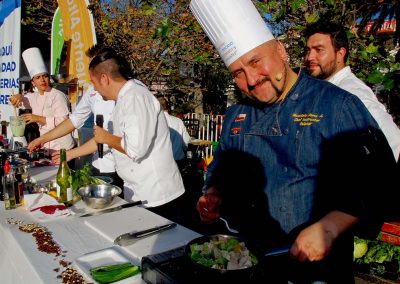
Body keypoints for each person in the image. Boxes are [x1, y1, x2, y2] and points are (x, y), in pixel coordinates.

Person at [190, 0, 397, 282]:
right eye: (238, 73)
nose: (251, 79)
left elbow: (381, 182)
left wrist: (331, 226)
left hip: (316, 271)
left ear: (280, 50)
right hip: (244, 262)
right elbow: (221, 167)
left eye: (255, 61)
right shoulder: (237, 115)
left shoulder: (336, 105)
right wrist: (213, 192)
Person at [56, 47, 185, 222]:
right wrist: (70, 153)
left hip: (157, 195)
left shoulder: (135, 97)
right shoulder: (123, 99)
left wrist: (106, 137)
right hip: (139, 190)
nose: (93, 89)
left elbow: (135, 149)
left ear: (104, 78)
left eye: (93, 82)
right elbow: (109, 140)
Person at [304, 20, 400, 161]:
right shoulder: (327, 89)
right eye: (308, 50)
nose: (310, 57)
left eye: (319, 50)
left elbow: (394, 143)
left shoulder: (351, 92)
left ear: (340, 53)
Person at [9, 47, 75, 153]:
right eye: (38, 77)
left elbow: (65, 122)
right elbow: (19, 101)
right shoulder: (33, 96)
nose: (42, 80)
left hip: (62, 147)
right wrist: (17, 96)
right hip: (46, 146)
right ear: (33, 82)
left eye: (45, 76)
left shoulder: (58, 95)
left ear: (49, 78)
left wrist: (38, 118)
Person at [157, 96, 191, 170]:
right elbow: (186, 142)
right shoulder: (178, 121)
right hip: (178, 159)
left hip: (161, 162)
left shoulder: (155, 122)